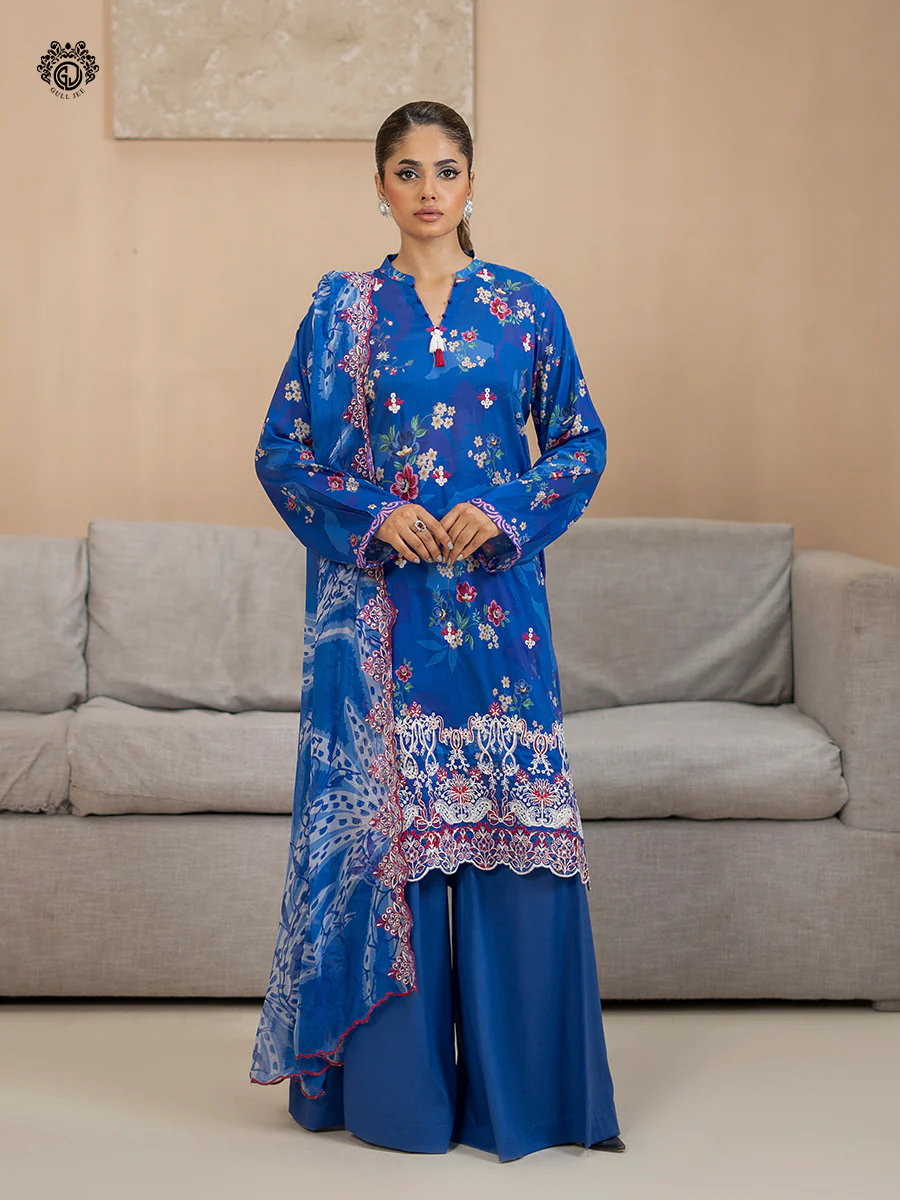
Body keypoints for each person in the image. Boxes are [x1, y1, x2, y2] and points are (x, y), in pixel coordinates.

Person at [248, 100, 625, 1162]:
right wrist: (376, 516)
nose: (427, 190)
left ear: (471, 183)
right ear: (380, 185)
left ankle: (527, 1102)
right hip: (381, 621)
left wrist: (505, 510)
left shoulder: (525, 307)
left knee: (512, 842)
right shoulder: (342, 310)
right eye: (407, 170)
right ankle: (398, 1101)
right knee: (394, 848)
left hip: (500, 622)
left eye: (445, 169)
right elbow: (282, 451)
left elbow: (581, 442)